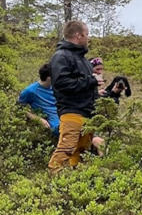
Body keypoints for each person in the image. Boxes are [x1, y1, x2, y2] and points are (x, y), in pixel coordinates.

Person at [47, 20, 101, 175]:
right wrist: (91, 80)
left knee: (82, 150)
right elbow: (62, 83)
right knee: (66, 148)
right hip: (71, 110)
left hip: (87, 112)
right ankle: (52, 179)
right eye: (87, 34)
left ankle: (75, 179)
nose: (88, 37)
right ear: (78, 35)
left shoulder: (83, 59)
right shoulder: (61, 56)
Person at [18, 62, 60, 136]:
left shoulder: (56, 86)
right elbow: (19, 109)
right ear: (49, 78)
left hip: (65, 113)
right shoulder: (30, 91)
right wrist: (38, 119)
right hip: (55, 122)